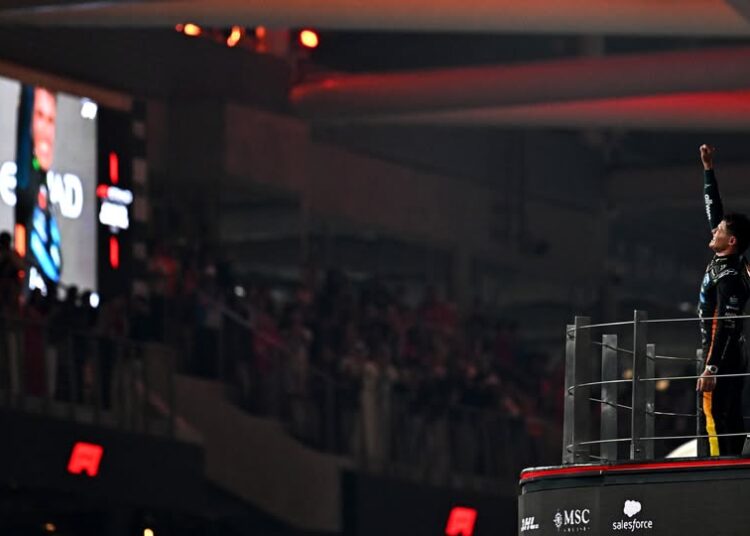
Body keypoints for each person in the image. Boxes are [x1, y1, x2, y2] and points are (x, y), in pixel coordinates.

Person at [696, 144, 750, 456]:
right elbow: (714, 210)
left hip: (722, 353)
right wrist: (708, 169)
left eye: (719, 230)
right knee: (729, 415)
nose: (713, 230)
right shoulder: (732, 259)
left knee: (715, 416)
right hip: (731, 353)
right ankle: (733, 466)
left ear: (731, 240)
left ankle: (719, 469)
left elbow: (727, 325)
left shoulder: (730, 276)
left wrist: (711, 368)